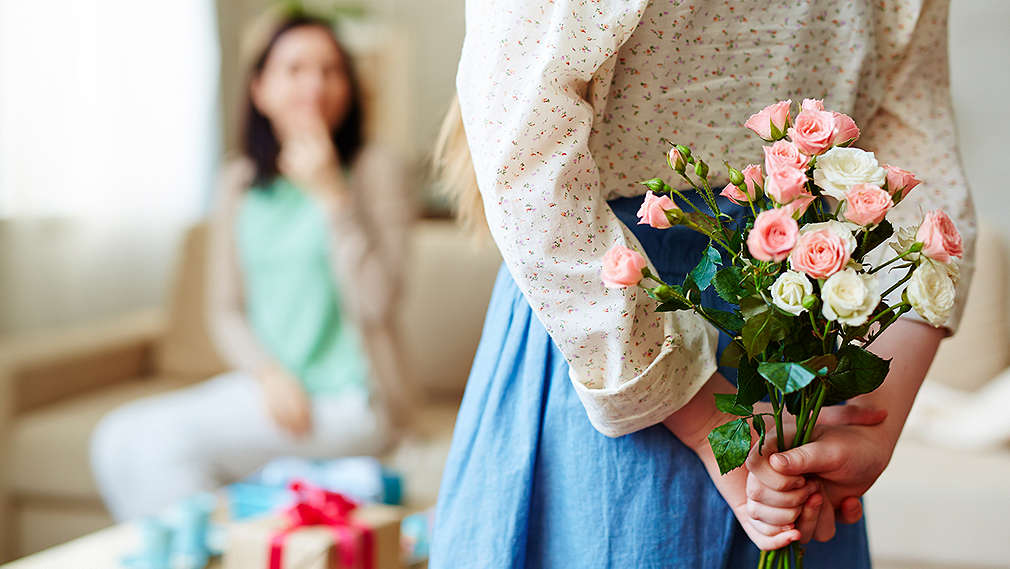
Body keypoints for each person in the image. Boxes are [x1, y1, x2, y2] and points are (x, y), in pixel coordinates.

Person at [430, 0, 975, 567]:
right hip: (611, 335)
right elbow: (530, 166)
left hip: (797, 347)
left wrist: (861, 430)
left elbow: (920, 175)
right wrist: (707, 422)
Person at [90, 9, 413, 521]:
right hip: (273, 392)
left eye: (331, 70)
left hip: (352, 401)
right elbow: (226, 310)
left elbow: (377, 303)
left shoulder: (375, 173)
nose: (315, 84)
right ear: (260, 88)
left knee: (159, 445)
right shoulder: (238, 183)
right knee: (114, 438)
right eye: (295, 69)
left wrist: (332, 196)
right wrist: (267, 375)